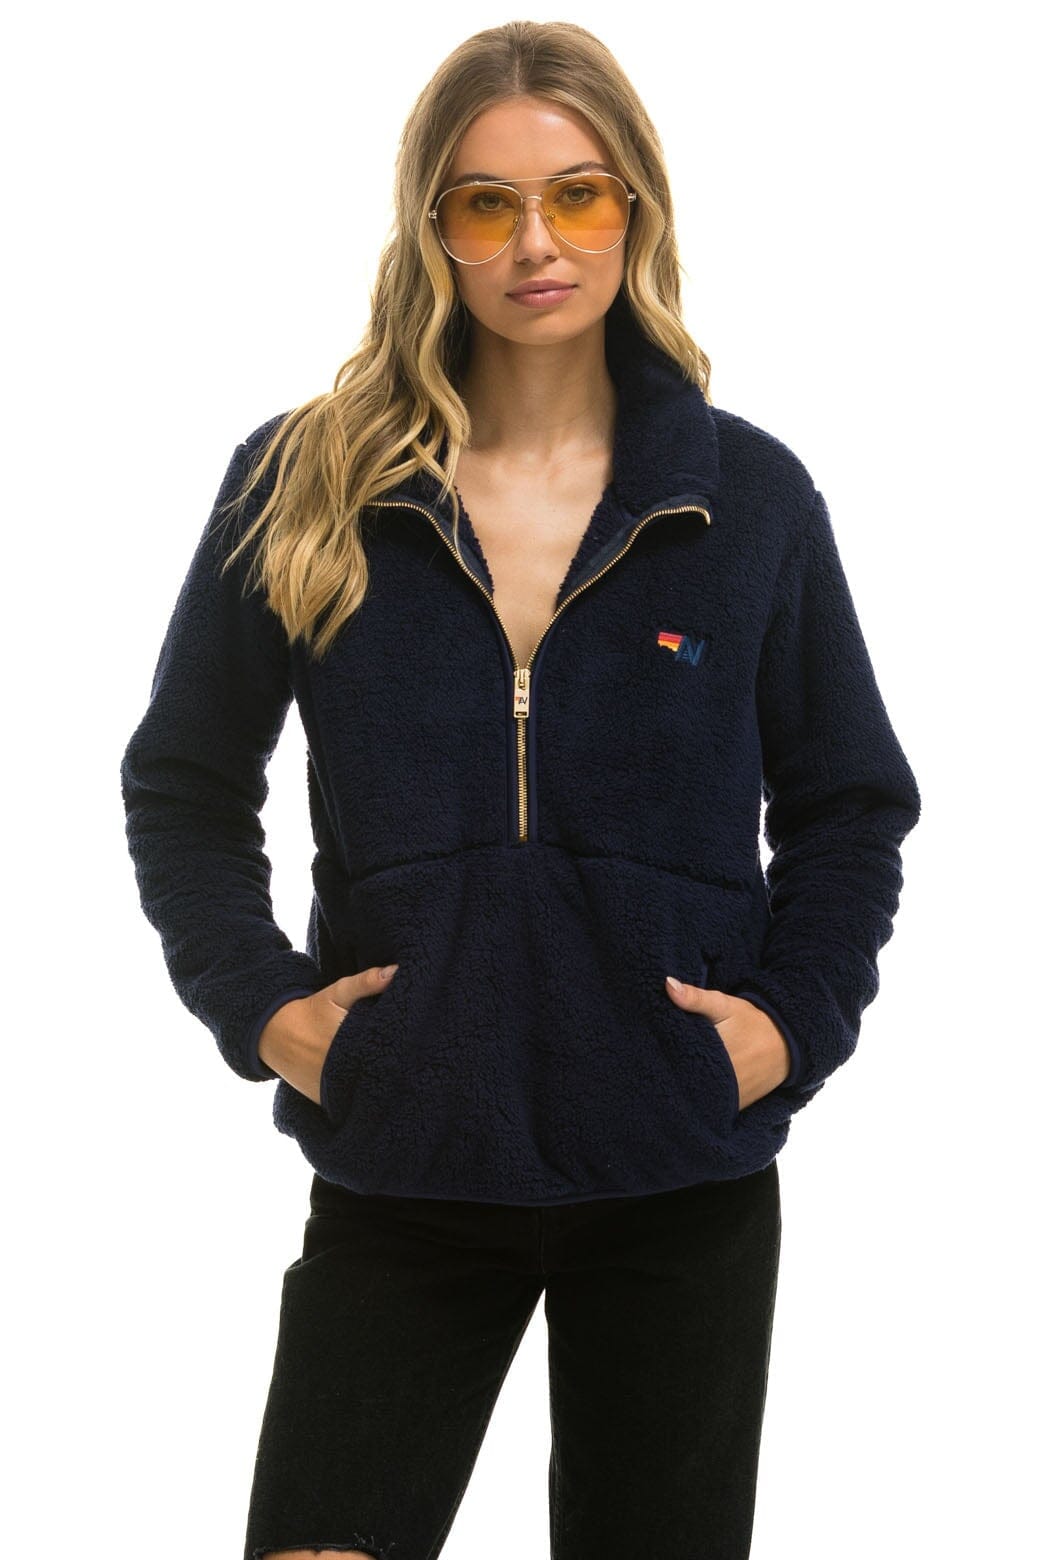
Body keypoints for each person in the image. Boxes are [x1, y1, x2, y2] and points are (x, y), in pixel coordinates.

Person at [119, 20, 922, 1560]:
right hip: (405, 1160)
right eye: (487, 203)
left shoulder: (745, 499)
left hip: (678, 1173)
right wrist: (263, 1006)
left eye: (578, 195)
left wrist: (792, 1023)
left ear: (637, 211)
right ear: (434, 229)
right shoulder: (306, 481)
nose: (536, 243)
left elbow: (849, 803)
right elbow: (183, 781)